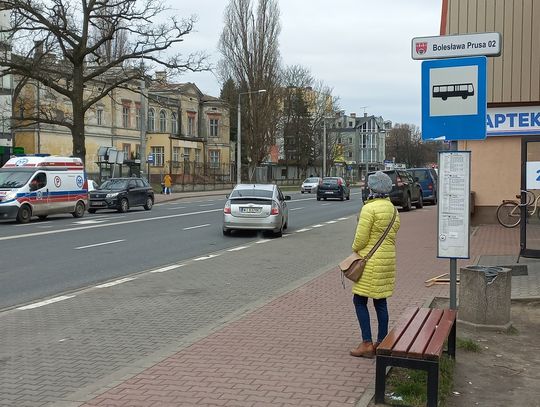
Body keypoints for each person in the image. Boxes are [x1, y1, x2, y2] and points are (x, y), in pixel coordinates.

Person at [349, 171, 400, 358]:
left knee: (359, 300)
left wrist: (354, 248)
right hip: (387, 261)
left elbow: (360, 241)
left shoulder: (369, 209)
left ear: (372, 189)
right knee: (381, 301)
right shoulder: (393, 210)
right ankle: (382, 342)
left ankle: (367, 343)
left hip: (370, 262)